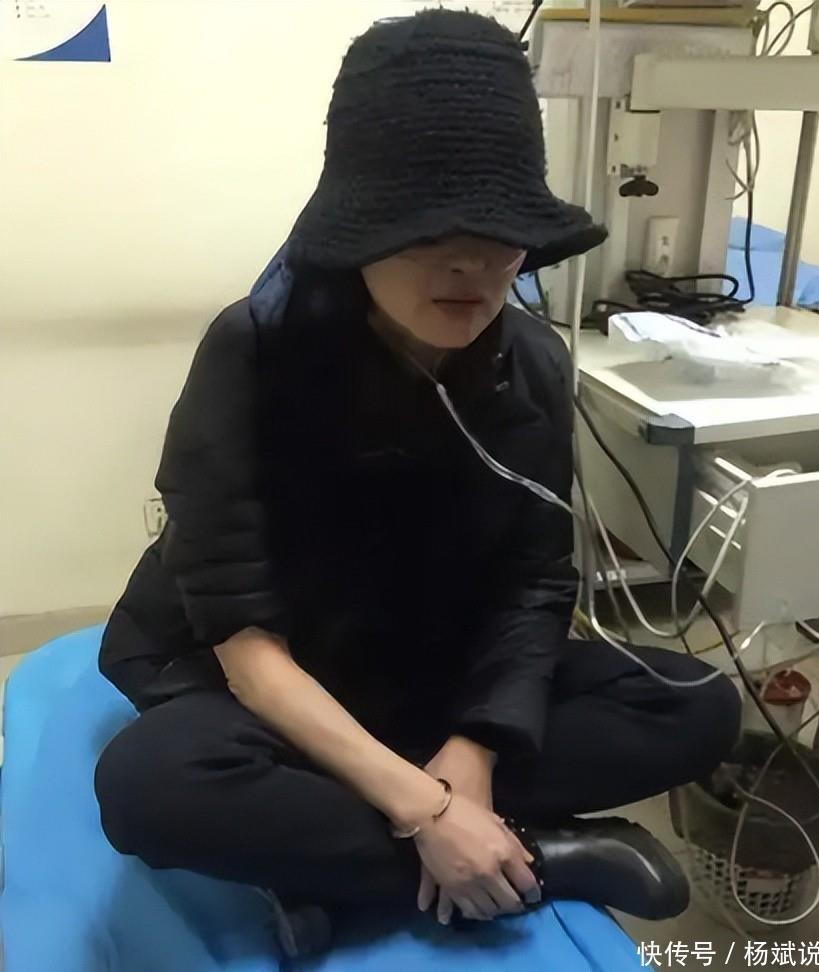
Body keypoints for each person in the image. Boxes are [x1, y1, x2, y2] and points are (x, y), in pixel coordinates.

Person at [94, 9, 741, 960]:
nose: (473, 265)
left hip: (429, 677)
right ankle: (538, 858)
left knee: (696, 704)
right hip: (277, 689)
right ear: (360, 229)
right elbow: (244, 648)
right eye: (432, 231)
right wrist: (423, 809)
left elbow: (535, 585)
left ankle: (327, 860)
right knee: (150, 788)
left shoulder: (531, 362)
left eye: (501, 233)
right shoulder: (254, 352)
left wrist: (471, 757)